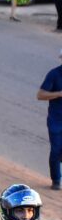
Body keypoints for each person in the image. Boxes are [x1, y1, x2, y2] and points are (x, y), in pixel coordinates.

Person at [38, 53, 62, 191]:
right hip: (56, 120)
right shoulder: (54, 74)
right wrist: (58, 94)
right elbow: (40, 95)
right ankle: (56, 180)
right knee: (56, 150)